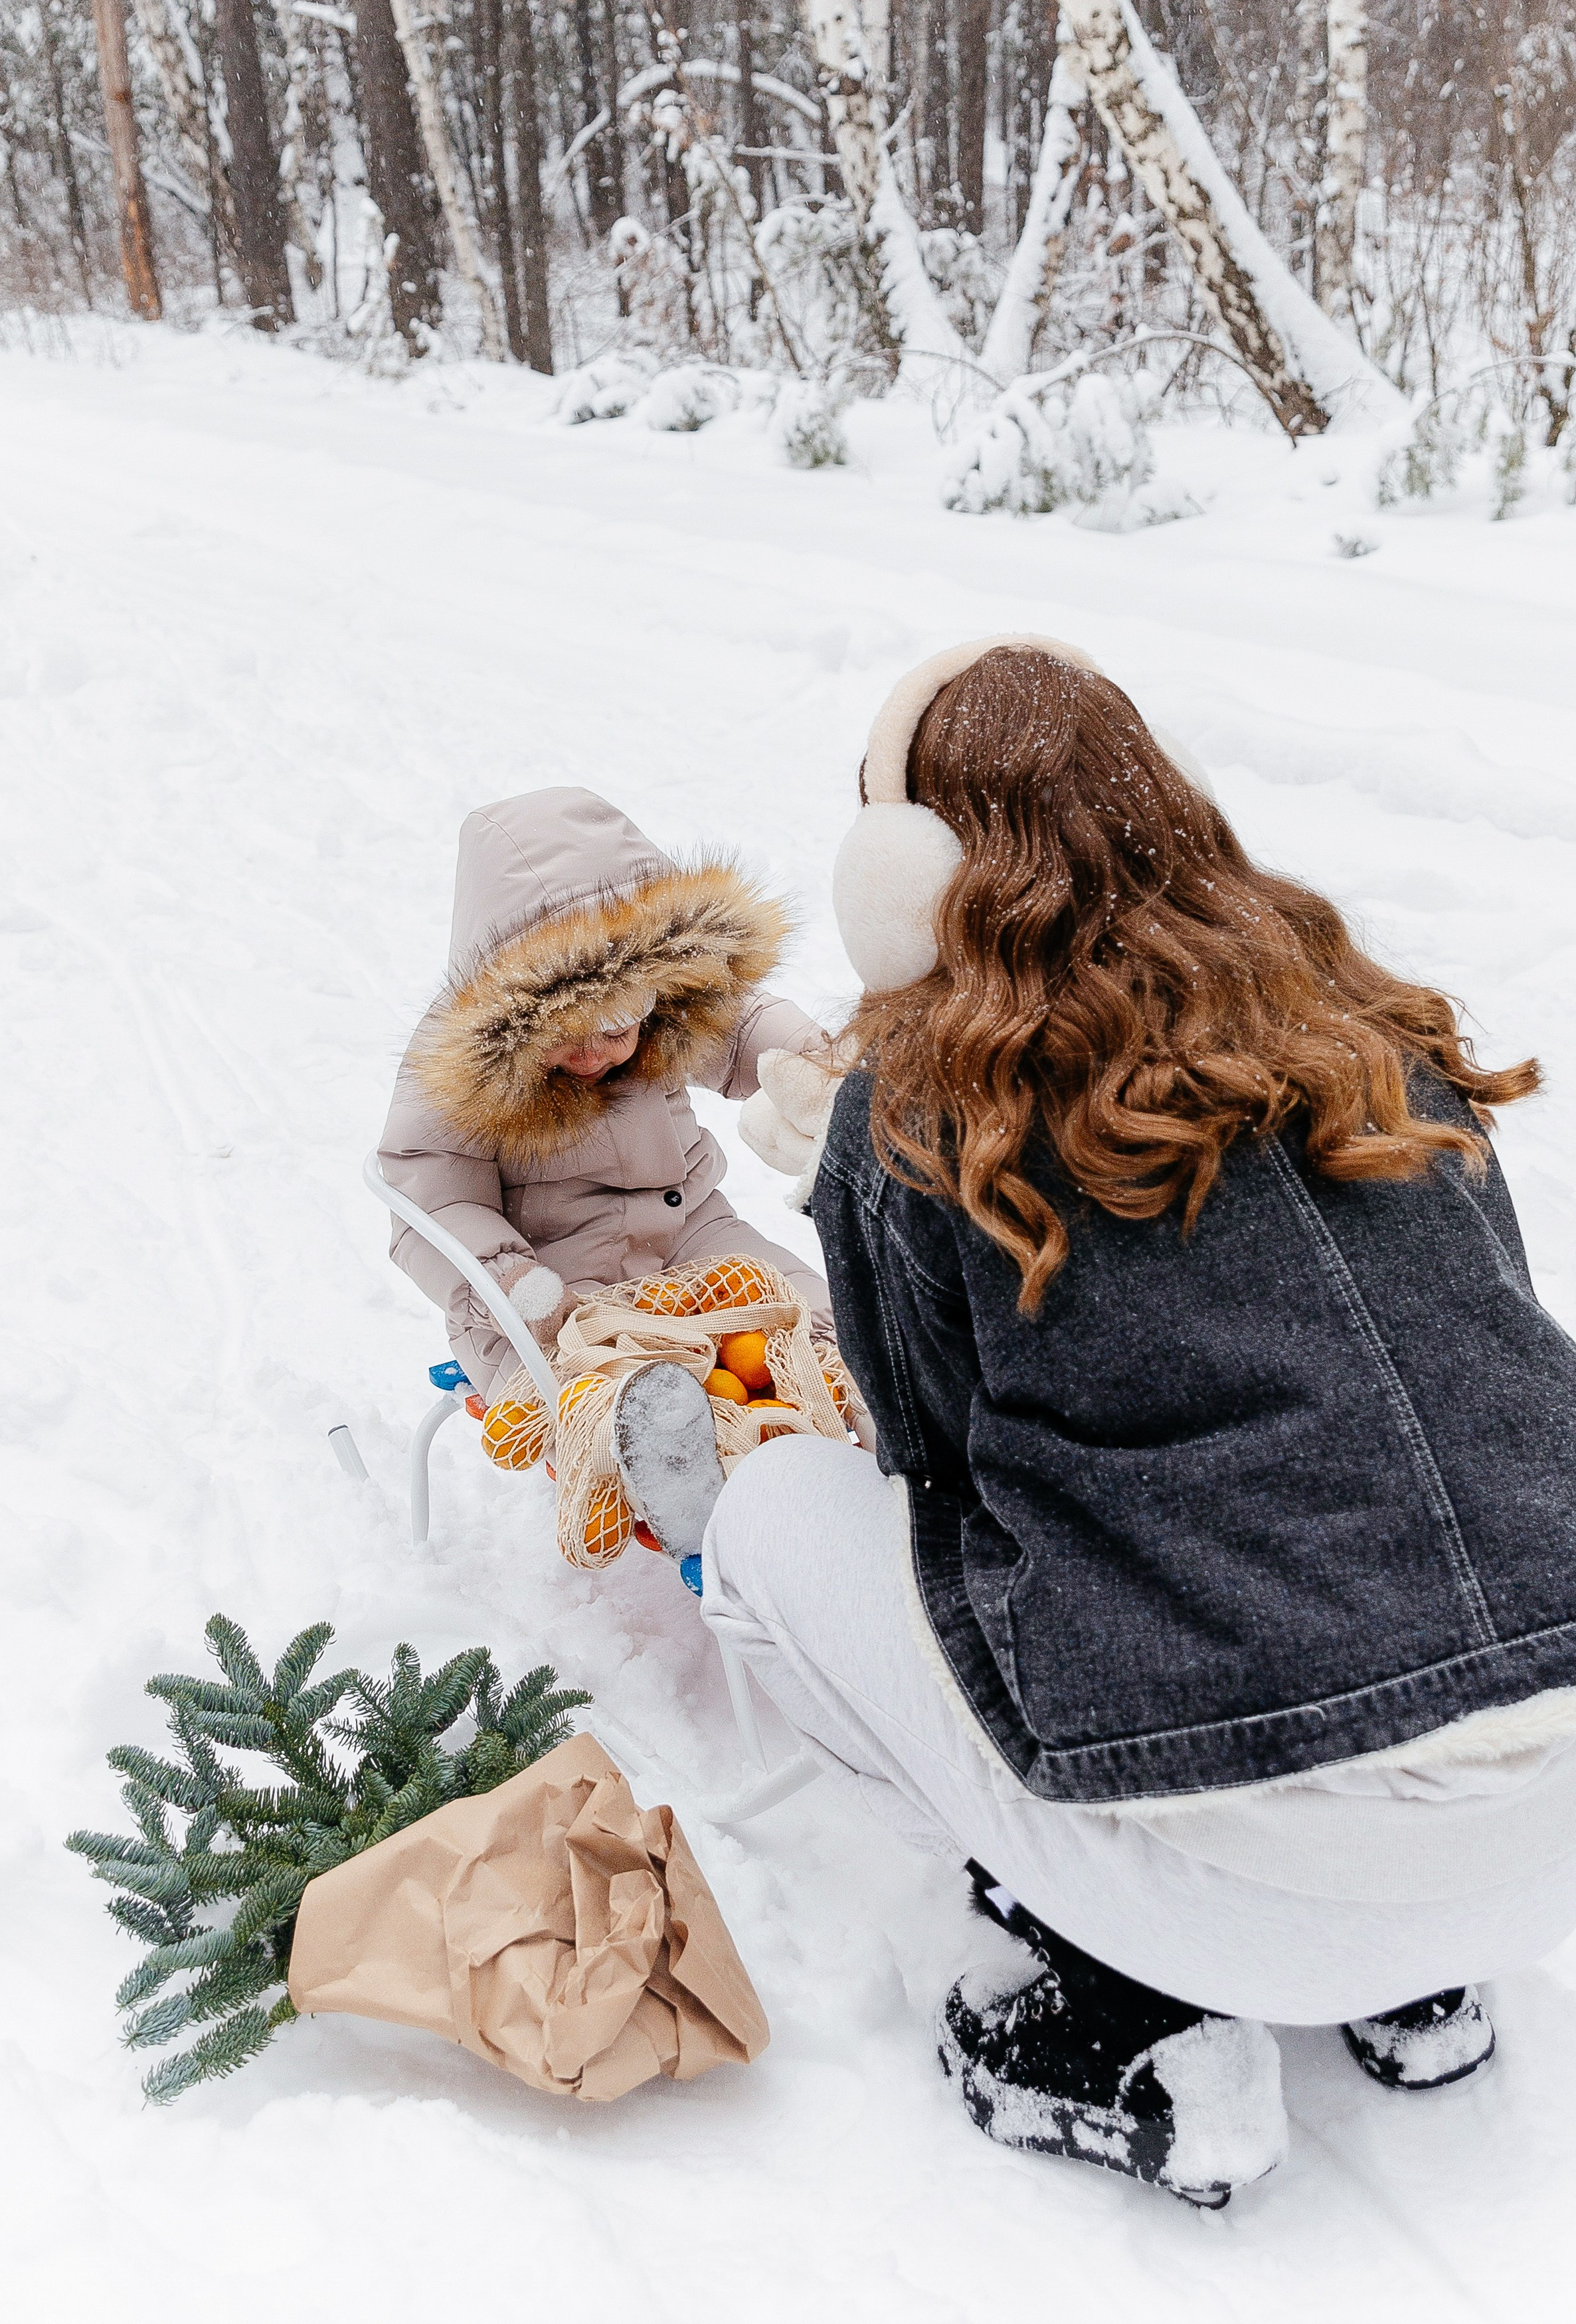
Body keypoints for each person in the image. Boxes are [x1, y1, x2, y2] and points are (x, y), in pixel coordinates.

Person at [645, 637, 1576, 2209]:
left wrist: (865, 1186)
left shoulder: (920, 1107)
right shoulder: (1381, 1031)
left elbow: (924, 1468)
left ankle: (1113, 2012)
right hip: (1552, 1836)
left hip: (1244, 1887)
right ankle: (1419, 1988)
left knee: (772, 1515)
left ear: (909, 871)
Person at [378, 788, 833, 1548]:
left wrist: (815, 1070)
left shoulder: (664, 1006)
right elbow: (429, 1204)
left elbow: (746, 1027)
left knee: (807, 1313)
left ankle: (871, 1442)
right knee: (587, 1385)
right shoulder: (454, 1070)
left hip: (692, 1237)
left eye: (619, 1025)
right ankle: (662, 1468)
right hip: (551, 1287)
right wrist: (511, 1284)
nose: (597, 1054)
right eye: (567, 1034)